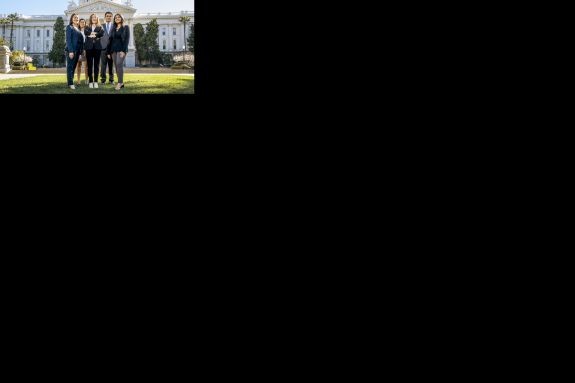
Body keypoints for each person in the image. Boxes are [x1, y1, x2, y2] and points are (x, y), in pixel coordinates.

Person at [107, 13, 130, 90]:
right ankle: (121, 83)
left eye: (119, 17)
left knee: (119, 64)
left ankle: (119, 83)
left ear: (121, 18)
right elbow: (110, 40)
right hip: (113, 50)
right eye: (116, 17)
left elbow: (127, 40)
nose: (117, 18)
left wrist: (123, 51)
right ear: (114, 19)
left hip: (121, 49)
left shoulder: (126, 27)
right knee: (116, 66)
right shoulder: (113, 28)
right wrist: (108, 52)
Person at [84, 13, 104, 88]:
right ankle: (90, 82)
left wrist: (91, 34)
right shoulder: (87, 26)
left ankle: (95, 81)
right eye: (93, 17)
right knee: (89, 66)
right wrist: (95, 34)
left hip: (97, 48)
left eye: (95, 17)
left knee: (96, 65)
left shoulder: (100, 27)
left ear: (97, 18)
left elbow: (101, 34)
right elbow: (86, 33)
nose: (94, 18)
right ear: (91, 18)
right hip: (89, 48)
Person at [65, 13, 84, 90]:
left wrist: (80, 52)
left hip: (77, 51)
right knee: (70, 67)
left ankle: (70, 82)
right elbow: (68, 40)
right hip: (71, 51)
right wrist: (71, 51)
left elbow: (80, 42)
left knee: (73, 67)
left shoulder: (78, 29)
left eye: (77, 18)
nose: (76, 19)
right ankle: (70, 83)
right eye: (75, 17)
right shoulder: (69, 27)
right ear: (71, 19)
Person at [99, 11, 115, 85]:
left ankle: (111, 80)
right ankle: (103, 80)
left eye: (110, 16)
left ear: (112, 17)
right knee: (103, 65)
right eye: (107, 16)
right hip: (103, 49)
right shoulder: (101, 26)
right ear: (105, 17)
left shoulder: (114, 26)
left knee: (111, 65)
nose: (108, 17)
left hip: (112, 49)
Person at [75, 18, 88, 85]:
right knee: (78, 65)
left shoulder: (87, 31)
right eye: (81, 22)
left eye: (83, 22)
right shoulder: (77, 31)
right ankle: (78, 80)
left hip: (85, 49)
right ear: (79, 23)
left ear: (85, 23)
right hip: (78, 50)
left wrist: (86, 49)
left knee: (86, 66)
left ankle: (86, 80)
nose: (82, 23)